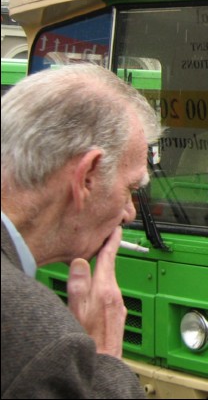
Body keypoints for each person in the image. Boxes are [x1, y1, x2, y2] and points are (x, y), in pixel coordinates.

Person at [1, 64, 162, 398]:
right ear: (86, 177)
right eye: (131, 188)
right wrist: (103, 358)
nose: (130, 213)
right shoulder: (39, 340)